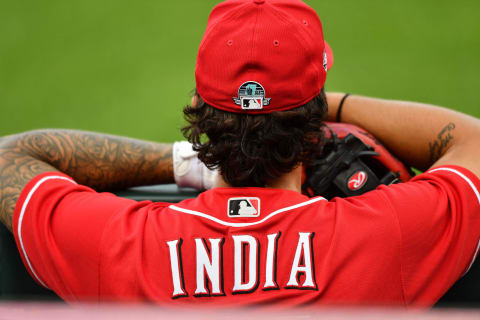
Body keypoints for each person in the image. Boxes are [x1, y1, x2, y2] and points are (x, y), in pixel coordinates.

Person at [0, 0, 479, 307]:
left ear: (201, 114)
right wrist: (324, 102)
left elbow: (13, 156)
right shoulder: (382, 237)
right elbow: (471, 140)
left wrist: (188, 163)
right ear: (313, 124)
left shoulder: (123, 246)